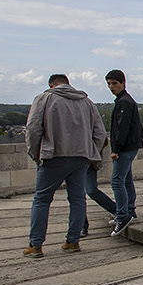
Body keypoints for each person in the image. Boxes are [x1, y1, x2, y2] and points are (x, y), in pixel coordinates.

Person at [24, 74, 107, 257]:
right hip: (80, 157)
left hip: (54, 155)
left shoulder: (44, 98)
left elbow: (33, 129)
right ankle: (73, 241)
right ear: (68, 84)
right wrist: (91, 152)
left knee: (42, 199)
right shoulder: (86, 102)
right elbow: (100, 133)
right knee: (77, 199)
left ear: (51, 84)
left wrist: (36, 154)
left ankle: (36, 245)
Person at [105, 70, 143, 235]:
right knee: (126, 180)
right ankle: (129, 211)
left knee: (117, 182)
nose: (111, 87)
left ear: (123, 83)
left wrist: (116, 149)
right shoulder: (125, 100)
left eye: (114, 83)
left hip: (125, 147)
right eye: (109, 84)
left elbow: (122, 127)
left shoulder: (124, 102)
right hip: (130, 146)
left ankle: (122, 216)